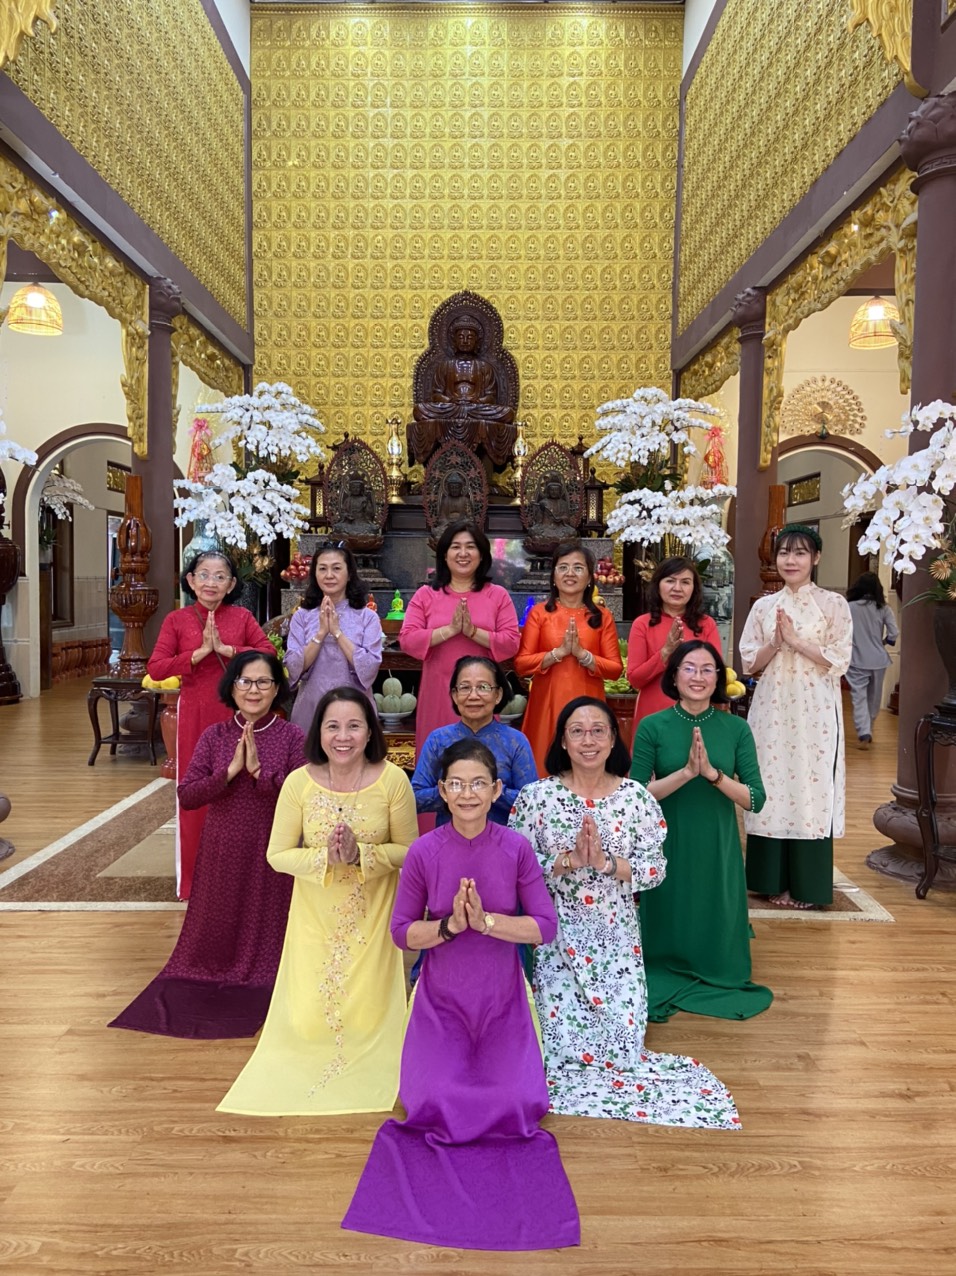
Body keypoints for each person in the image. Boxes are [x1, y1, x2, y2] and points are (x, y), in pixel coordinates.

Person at [343, 739, 579, 1251]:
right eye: (457, 784)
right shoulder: (425, 852)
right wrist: (450, 926)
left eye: (478, 784)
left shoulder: (516, 848)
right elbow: (402, 932)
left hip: (502, 1004)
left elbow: (544, 926)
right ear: (443, 792)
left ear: (496, 790)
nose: (468, 793)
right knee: (431, 1102)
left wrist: (487, 922)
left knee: (515, 1104)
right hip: (441, 1004)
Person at [509, 697, 740, 1130]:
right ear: (562, 740)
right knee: (560, 1055)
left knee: (621, 1052)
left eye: (599, 730)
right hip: (558, 941)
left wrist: (606, 864)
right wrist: (566, 862)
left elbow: (655, 869)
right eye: (577, 731)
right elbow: (514, 867)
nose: (588, 740)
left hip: (617, 944)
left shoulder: (635, 798)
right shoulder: (536, 798)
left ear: (614, 739)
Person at [217, 687, 418, 1116]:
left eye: (354, 726)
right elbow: (277, 854)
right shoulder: (299, 782)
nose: (342, 736)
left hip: (371, 916)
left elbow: (409, 850)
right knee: (309, 1023)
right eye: (333, 726)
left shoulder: (393, 780)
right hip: (314, 915)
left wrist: (361, 855)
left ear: (370, 732)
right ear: (319, 732)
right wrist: (326, 857)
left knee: (368, 1018)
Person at [109, 651, 306, 1038]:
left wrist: (261, 774)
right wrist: (229, 773)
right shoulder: (215, 736)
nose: (253, 690)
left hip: (272, 848)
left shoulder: (292, 737)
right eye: (245, 681)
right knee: (218, 924)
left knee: (265, 931)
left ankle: (261, 975)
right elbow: (188, 795)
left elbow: (304, 799)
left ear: (276, 689)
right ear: (231, 687)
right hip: (222, 848)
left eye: (263, 682)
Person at [631, 640, 772, 1022]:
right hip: (667, 844)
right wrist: (685, 773)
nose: (698, 676)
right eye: (689, 668)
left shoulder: (736, 728)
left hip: (717, 845)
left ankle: (715, 962)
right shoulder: (653, 726)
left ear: (719, 679)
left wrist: (712, 775)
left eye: (707, 669)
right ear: (674, 676)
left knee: (717, 928)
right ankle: (666, 960)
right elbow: (634, 795)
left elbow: (755, 799)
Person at [147, 550, 274, 899]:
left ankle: (239, 879)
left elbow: (268, 654)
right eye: (203, 575)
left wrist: (228, 649)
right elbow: (156, 668)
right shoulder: (177, 620)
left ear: (231, 584)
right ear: (190, 580)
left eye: (220, 576)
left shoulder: (242, 616)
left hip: (238, 715)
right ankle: (193, 881)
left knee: (241, 791)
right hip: (195, 715)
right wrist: (198, 654)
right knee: (198, 790)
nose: (211, 583)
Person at [740, 524, 852, 910]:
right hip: (771, 707)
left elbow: (839, 659)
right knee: (771, 780)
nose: (791, 560)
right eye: (784, 552)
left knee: (810, 784)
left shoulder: (833, 604)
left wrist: (796, 641)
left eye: (800, 553)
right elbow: (750, 662)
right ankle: (768, 878)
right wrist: (775, 641)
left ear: (816, 558)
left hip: (815, 710)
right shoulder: (763, 607)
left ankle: (807, 884)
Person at [399, 520, 520, 761]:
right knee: (437, 760)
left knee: (481, 762)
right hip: (439, 691)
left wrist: (473, 632)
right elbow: (408, 639)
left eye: (470, 547)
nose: (463, 553)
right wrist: (450, 630)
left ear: (482, 555)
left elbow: (511, 643)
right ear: (444, 555)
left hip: (481, 692)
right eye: (455, 547)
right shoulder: (426, 595)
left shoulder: (497, 595)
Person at [515, 540, 622, 777]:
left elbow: (615, 669)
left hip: (588, 702)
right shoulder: (539, 613)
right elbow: (522, 664)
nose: (570, 573)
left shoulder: (602, 616)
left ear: (589, 578)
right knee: (545, 769)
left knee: (587, 770)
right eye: (563, 567)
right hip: (547, 702)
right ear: (553, 577)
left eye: (578, 568)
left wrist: (583, 655)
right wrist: (558, 653)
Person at [411, 655, 538, 827]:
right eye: (465, 688)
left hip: (503, 838)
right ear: (454, 695)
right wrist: (453, 788)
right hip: (449, 836)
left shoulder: (515, 741)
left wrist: (493, 790)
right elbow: (415, 798)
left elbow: (531, 803)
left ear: (498, 694)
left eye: (483, 687)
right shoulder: (438, 739)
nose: (473, 696)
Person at [285, 541, 383, 734]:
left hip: (354, 705)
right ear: (315, 574)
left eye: (336, 568)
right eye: (322, 569)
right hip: (311, 705)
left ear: (349, 574)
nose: (329, 575)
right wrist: (321, 633)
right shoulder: (302, 616)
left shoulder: (367, 617)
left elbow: (370, 666)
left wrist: (337, 632)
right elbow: (293, 666)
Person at [625, 556, 722, 746]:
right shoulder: (642, 624)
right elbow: (635, 679)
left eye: (685, 582)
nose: (677, 588)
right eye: (670, 581)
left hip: (697, 715)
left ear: (694, 588)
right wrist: (665, 652)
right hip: (653, 714)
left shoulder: (706, 624)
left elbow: (716, 674)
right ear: (658, 585)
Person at [846, 570, 898, 749]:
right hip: (878, 659)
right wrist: (884, 642)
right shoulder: (883, 608)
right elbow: (894, 633)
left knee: (858, 697)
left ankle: (864, 731)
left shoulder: (849, 607)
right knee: (874, 698)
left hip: (856, 660)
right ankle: (869, 727)